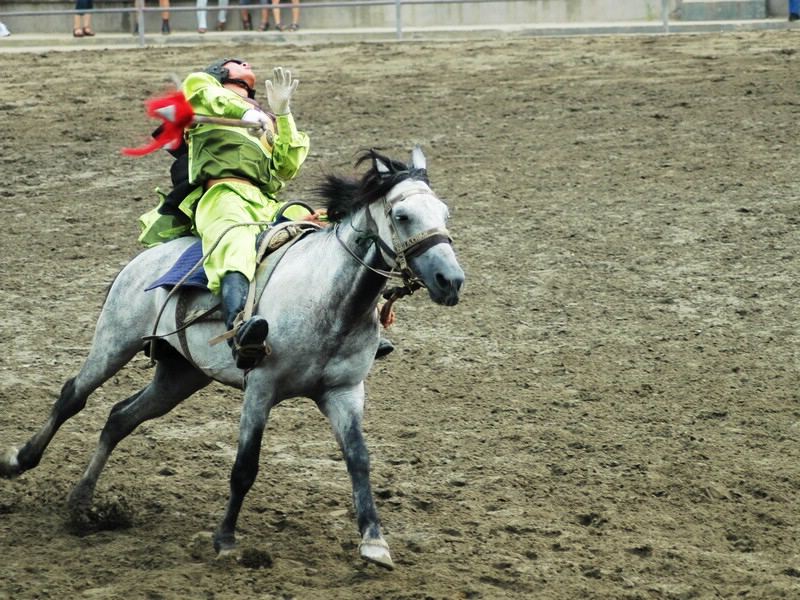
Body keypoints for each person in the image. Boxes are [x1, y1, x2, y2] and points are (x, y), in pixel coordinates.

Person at [142, 59, 311, 369]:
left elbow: (287, 167)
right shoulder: (203, 89)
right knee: (236, 243)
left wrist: (283, 115)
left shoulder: (265, 119)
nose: (246, 63)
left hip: (266, 201)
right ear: (221, 73)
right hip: (223, 196)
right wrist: (244, 111)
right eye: (238, 64)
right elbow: (208, 96)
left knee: (319, 226)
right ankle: (239, 332)